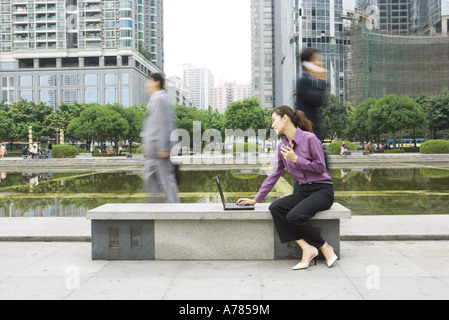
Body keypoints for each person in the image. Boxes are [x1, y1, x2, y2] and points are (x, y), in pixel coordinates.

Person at [237, 106, 338, 270]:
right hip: (304, 191)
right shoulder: (282, 147)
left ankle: (325, 247)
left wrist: (297, 159)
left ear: (285, 118)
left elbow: (321, 168)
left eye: (273, 120)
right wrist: (256, 199)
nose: (272, 125)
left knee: (294, 216)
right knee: (276, 207)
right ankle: (307, 247)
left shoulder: (310, 139)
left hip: (322, 190)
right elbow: (274, 175)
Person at [140, 73, 179, 203]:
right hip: (153, 152)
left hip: (159, 151)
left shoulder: (161, 99)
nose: (147, 84)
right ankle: (156, 207)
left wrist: (163, 147)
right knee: (150, 178)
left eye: (149, 81)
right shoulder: (155, 99)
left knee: (167, 181)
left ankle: (175, 208)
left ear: (156, 82)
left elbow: (164, 124)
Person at [296, 47, 327, 142]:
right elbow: (317, 100)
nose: (321, 63)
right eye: (317, 60)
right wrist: (322, 79)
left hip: (310, 133)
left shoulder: (309, 81)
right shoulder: (303, 81)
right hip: (308, 133)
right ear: (307, 63)